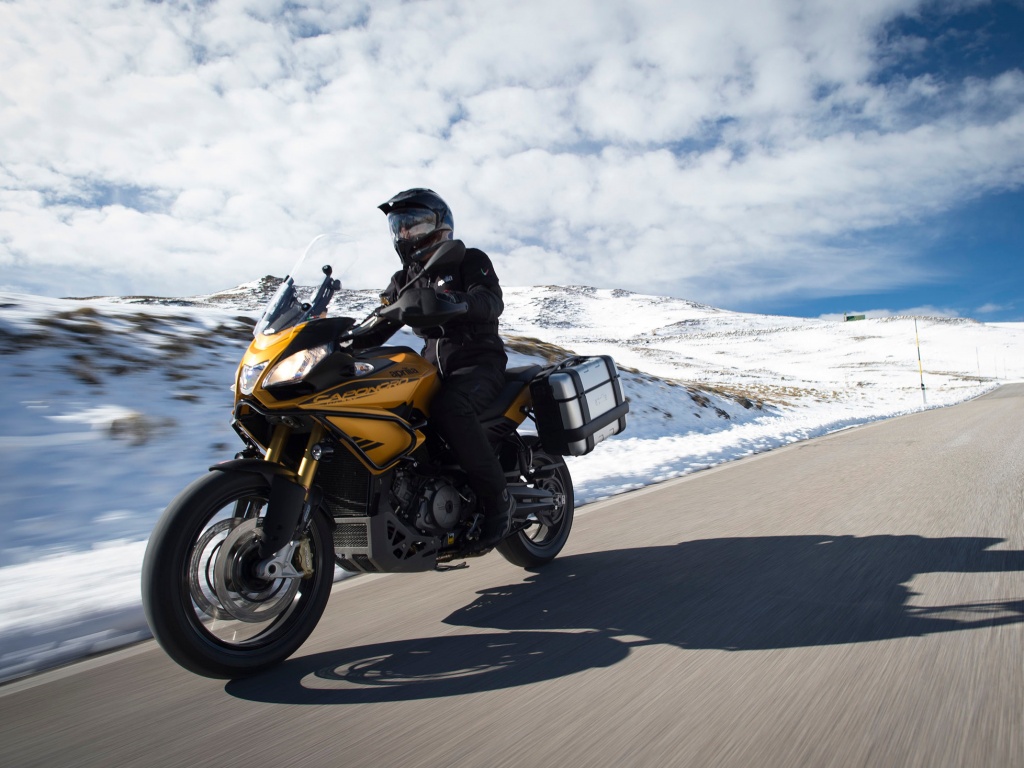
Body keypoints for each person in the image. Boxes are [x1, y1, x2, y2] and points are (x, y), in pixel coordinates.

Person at [378, 188, 514, 547]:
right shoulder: (404, 279)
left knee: (450, 408)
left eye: (413, 224)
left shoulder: (469, 259)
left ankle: (498, 502)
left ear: (438, 225)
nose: (405, 233)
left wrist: (455, 301)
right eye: (399, 226)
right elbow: (381, 318)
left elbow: (490, 301)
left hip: (479, 362)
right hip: (431, 370)